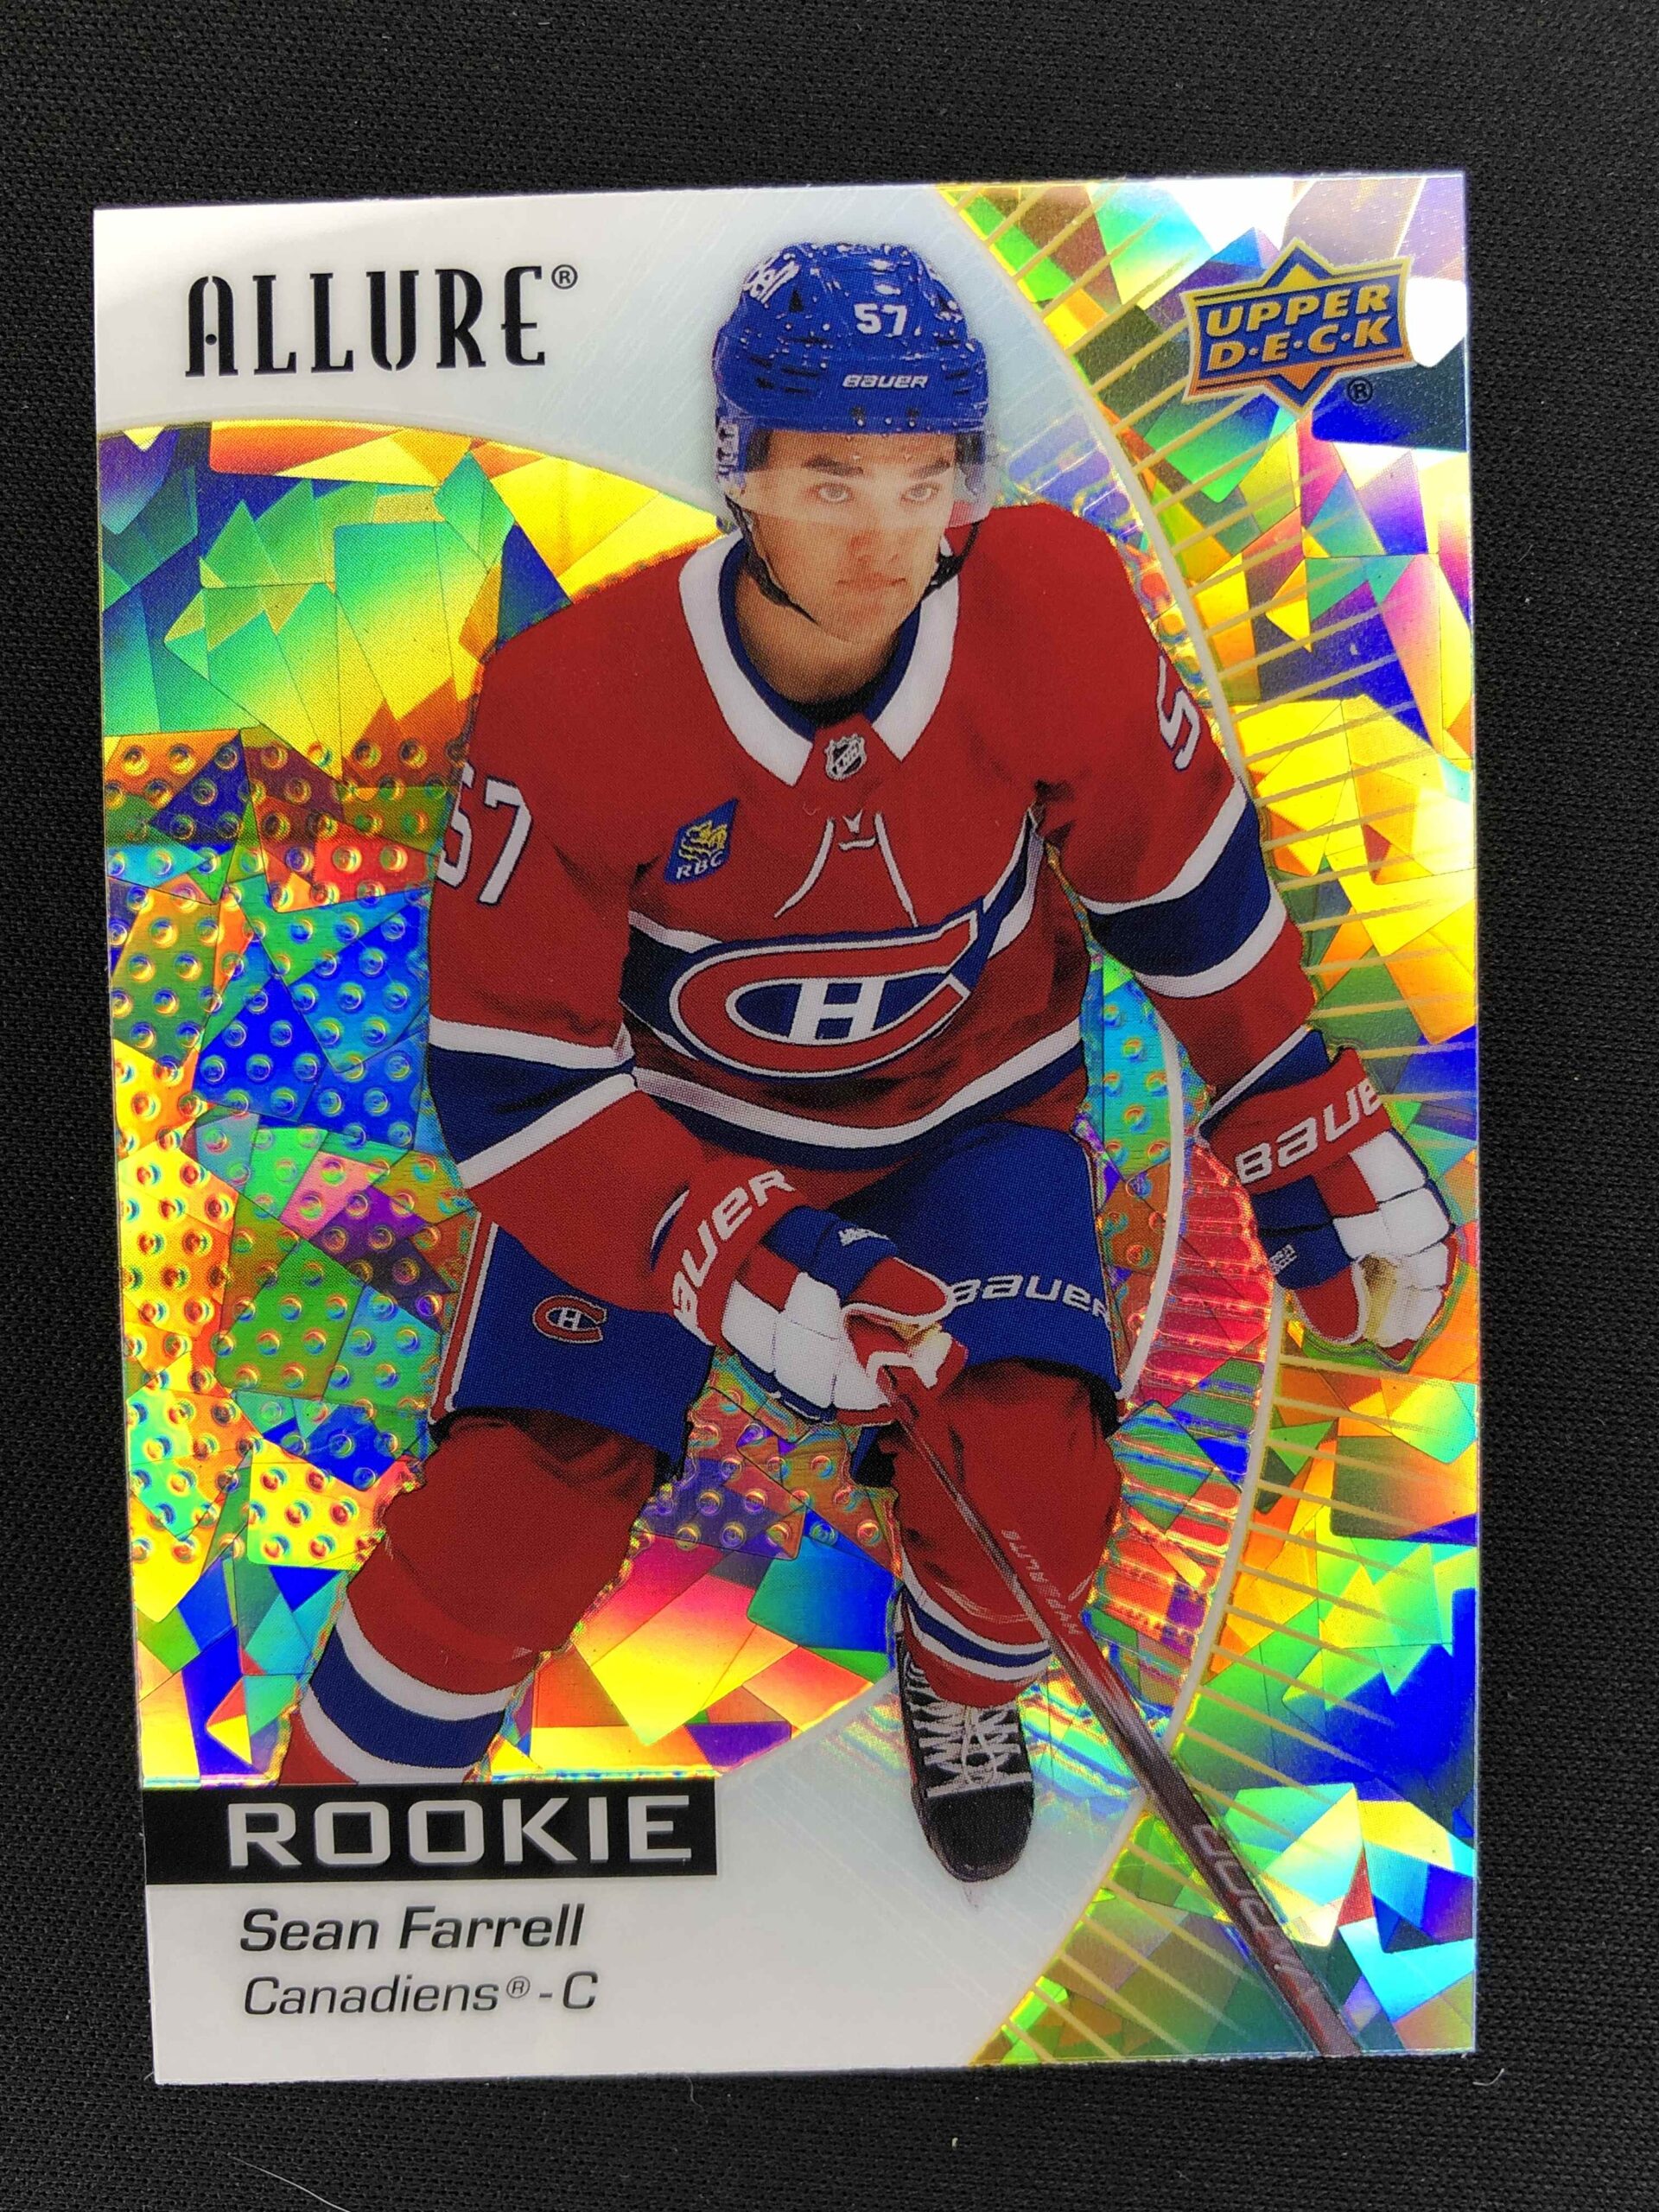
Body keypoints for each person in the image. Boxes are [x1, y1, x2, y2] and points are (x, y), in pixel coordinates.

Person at [281, 243, 1455, 1883]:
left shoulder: (1047, 604)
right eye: (833, 479)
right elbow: (515, 1083)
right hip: (667, 1134)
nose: (887, 537)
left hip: (968, 1115)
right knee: (505, 1530)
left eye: (925, 479)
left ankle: (961, 1686)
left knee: (1033, 1496)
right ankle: (310, 1855)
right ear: (741, 472)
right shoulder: (574, 702)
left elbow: (1172, 866)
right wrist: (735, 1251)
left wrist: (1285, 1094)